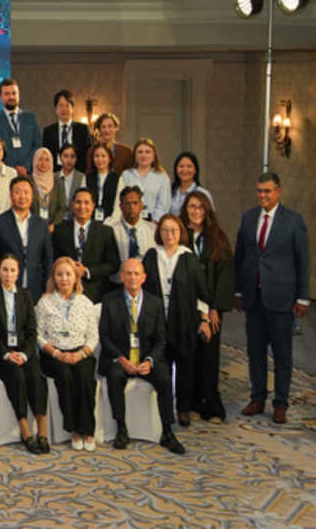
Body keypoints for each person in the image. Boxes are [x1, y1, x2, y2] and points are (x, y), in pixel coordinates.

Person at [234, 172, 308, 424]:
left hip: (281, 298)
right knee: (255, 351)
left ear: (278, 192)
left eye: (267, 191)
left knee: (282, 354)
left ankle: (280, 403)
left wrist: (303, 297)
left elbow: (302, 261)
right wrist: (238, 291)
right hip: (253, 297)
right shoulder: (248, 218)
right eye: (259, 191)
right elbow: (240, 257)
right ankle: (257, 398)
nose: (262, 195)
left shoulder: (294, 221)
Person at [100, 258, 186, 453]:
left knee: (164, 377)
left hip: (145, 358)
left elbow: (161, 339)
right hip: (120, 358)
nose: (132, 278)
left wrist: (149, 360)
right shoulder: (109, 301)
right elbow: (104, 336)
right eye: (128, 273)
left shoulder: (155, 303)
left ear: (144, 278)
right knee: (114, 375)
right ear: (121, 277)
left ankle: (167, 432)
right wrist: (121, 359)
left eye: (136, 274)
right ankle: (121, 429)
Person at [143, 214, 212, 428]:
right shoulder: (151, 255)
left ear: (180, 232)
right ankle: (159, 409)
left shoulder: (188, 257)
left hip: (183, 322)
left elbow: (202, 292)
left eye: (173, 230)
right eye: (165, 230)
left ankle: (183, 409)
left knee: (185, 367)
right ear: (159, 232)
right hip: (156, 322)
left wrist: (204, 318)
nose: (169, 234)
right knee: (159, 366)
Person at [0, 253, 49, 453]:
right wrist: (6, 354)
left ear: (18, 273)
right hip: (0, 355)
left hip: (23, 352)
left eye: (12, 270)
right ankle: (25, 429)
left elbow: (32, 331)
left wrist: (25, 354)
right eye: (5, 270)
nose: (8, 274)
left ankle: (42, 429)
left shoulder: (26, 296)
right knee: (16, 375)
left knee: (36, 375)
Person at [36, 256, 99, 451]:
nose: (64, 279)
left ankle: (87, 430)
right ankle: (75, 430)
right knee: (65, 376)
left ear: (75, 277)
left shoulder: (85, 303)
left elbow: (93, 337)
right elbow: (38, 336)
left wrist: (81, 354)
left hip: (80, 352)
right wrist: (57, 354)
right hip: (53, 355)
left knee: (85, 377)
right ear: (53, 278)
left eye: (68, 274)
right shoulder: (45, 303)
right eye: (59, 274)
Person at [181, 191, 233, 421]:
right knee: (189, 355)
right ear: (185, 209)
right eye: (192, 206)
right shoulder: (180, 235)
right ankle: (191, 402)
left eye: (201, 207)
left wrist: (214, 307)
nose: (196, 211)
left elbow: (224, 275)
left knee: (208, 357)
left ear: (208, 210)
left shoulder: (217, 237)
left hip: (211, 307)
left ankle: (211, 405)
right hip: (186, 305)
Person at [0, 177, 53, 297]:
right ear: (11, 196)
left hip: (36, 287)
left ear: (32, 196)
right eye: (17, 192)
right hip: (7, 287)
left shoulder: (41, 224)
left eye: (26, 192)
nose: (22, 196)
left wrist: (47, 289)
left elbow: (48, 258)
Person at [51, 187, 121, 302]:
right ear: (72, 205)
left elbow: (113, 264)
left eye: (86, 203)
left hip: (96, 295)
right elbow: (53, 260)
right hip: (64, 293)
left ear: (93, 206)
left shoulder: (105, 232)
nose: (82, 206)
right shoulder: (60, 230)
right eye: (78, 202)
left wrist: (87, 271)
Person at [0, 78, 40, 173]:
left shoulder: (30, 118)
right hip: (4, 173)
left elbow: (38, 145)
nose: (11, 97)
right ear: (0, 96)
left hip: (29, 172)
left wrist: (26, 166)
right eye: (7, 94)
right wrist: (13, 169)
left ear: (18, 94)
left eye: (14, 93)